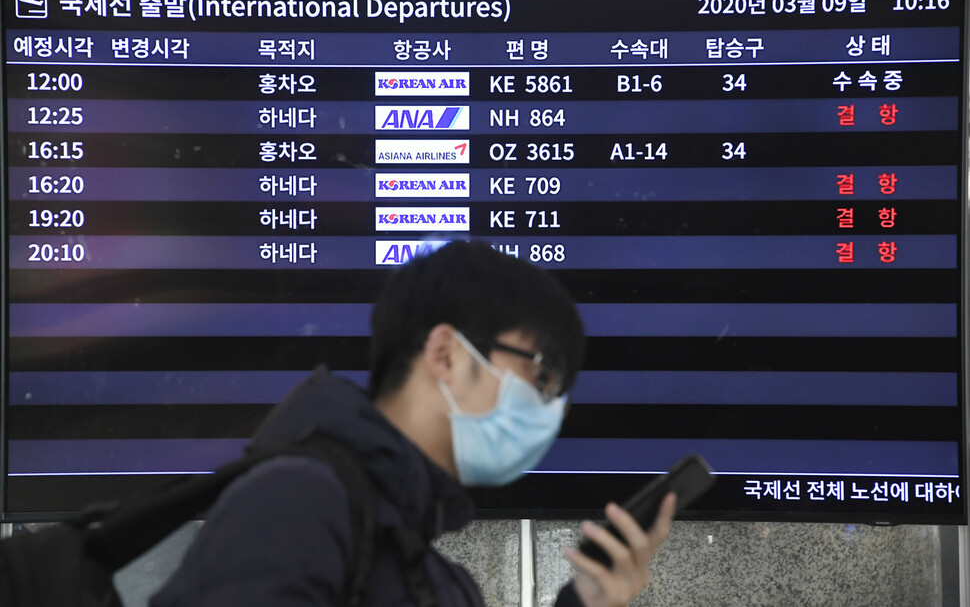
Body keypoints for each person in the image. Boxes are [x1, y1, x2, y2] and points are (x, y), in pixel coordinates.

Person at [151, 240, 674, 607]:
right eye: (539, 376)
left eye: (559, 394)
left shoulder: (440, 579)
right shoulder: (295, 503)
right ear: (445, 352)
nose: (549, 410)